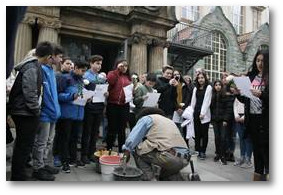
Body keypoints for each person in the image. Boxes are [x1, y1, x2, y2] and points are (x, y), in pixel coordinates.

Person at [8, 41, 52, 181]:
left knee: (24, 145)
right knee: (23, 145)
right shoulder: (32, 67)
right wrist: (36, 110)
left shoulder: (34, 66)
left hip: (25, 112)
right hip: (25, 113)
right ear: (48, 56)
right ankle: (18, 175)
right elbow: (30, 92)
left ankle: (19, 172)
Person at [122, 107, 190, 181]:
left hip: (169, 158)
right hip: (185, 159)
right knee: (165, 175)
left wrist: (126, 154)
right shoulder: (169, 121)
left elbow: (132, 140)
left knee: (137, 149)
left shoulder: (146, 119)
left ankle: (149, 179)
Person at [236, 49, 269, 181]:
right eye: (258, 60)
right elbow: (246, 100)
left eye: (263, 61)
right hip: (253, 120)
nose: (260, 63)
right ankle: (258, 176)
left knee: (267, 153)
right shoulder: (252, 77)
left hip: (266, 121)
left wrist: (261, 94)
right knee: (257, 152)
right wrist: (238, 93)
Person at [32, 43, 63, 181]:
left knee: (49, 141)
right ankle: (37, 168)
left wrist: (56, 111)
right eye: (60, 57)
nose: (61, 60)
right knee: (41, 142)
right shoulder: (42, 69)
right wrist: (50, 110)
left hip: (53, 113)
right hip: (45, 113)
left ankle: (43, 164)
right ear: (52, 56)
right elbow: (45, 95)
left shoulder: (52, 71)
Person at [57, 60, 88, 173]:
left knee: (74, 138)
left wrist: (86, 98)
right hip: (67, 114)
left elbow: (79, 95)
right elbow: (59, 95)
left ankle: (72, 159)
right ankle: (64, 161)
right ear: (75, 68)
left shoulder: (81, 81)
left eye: (85, 71)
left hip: (78, 114)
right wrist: (71, 96)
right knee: (65, 138)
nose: (83, 73)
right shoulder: (65, 78)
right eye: (82, 70)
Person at [81, 55, 108, 164]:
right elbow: (83, 90)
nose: (99, 66)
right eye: (97, 63)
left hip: (99, 106)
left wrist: (106, 93)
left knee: (95, 132)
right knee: (87, 131)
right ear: (91, 63)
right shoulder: (86, 75)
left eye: (100, 64)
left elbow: (103, 89)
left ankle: (91, 153)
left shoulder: (101, 77)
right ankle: (84, 155)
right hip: (89, 106)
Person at [106, 59, 131, 153]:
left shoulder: (128, 77)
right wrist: (117, 70)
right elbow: (110, 81)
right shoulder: (112, 73)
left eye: (126, 66)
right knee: (112, 128)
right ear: (117, 65)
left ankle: (121, 150)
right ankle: (109, 148)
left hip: (124, 105)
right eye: (122, 65)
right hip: (113, 104)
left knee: (122, 129)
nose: (124, 67)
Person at [53, 57, 73, 167]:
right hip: (62, 110)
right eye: (67, 63)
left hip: (74, 112)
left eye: (71, 64)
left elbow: (80, 92)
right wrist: (71, 96)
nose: (70, 66)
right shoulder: (59, 76)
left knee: (68, 136)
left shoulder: (76, 78)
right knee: (60, 134)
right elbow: (58, 94)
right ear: (62, 64)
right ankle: (57, 156)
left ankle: (66, 156)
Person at [210, 80, 234, 165]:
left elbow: (228, 109)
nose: (218, 86)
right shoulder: (212, 95)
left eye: (219, 85)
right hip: (215, 120)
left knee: (223, 138)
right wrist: (212, 119)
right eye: (216, 85)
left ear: (222, 86)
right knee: (217, 138)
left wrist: (225, 120)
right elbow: (211, 108)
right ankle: (218, 154)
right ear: (214, 86)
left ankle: (223, 155)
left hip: (223, 120)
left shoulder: (225, 95)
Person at [190, 72, 212, 160]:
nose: (200, 79)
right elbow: (193, 100)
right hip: (196, 112)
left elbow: (207, 101)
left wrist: (202, 113)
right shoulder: (196, 88)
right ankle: (197, 150)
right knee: (197, 133)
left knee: (204, 133)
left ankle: (203, 151)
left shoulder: (209, 87)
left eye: (202, 78)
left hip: (204, 114)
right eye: (199, 78)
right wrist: (191, 111)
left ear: (205, 78)